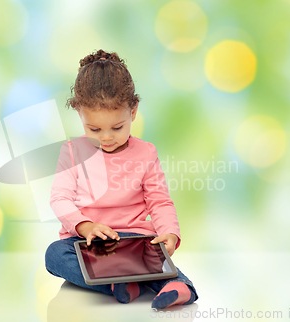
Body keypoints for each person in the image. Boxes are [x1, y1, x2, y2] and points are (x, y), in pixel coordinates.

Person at [45, 49, 199, 310]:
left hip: (134, 239)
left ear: (133, 111)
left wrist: (169, 232)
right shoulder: (72, 152)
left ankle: (179, 287)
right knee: (55, 255)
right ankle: (118, 283)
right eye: (94, 129)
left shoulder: (146, 153)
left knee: (154, 257)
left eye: (117, 127)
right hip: (87, 242)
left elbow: (159, 201)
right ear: (81, 115)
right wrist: (85, 226)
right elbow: (59, 198)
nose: (106, 137)